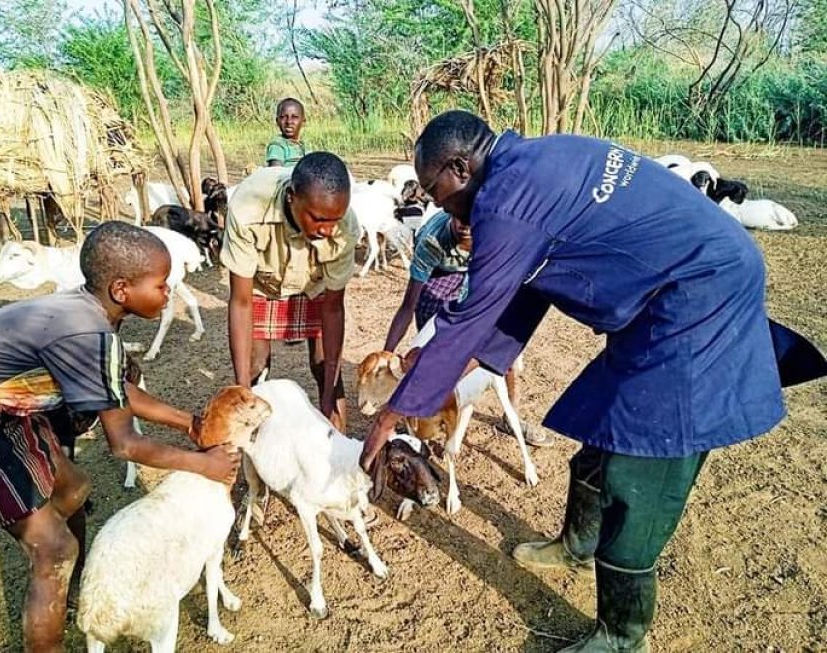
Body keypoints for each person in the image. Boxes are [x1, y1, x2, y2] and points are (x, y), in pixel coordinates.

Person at [359, 110, 826, 652]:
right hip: (660, 298)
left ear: (461, 167)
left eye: (439, 193)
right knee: (598, 442)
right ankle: (578, 548)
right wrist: (458, 365)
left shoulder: (505, 202)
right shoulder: (535, 161)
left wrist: (391, 415)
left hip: (697, 297)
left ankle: (622, 636)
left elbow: (474, 315)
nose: (439, 207)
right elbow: (521, 294)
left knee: (636, 472)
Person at [0, 222, 240, 653]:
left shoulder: (89, 311)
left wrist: (188, 423)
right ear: (122, 289)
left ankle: (75, 591)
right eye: (162, 285)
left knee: (74, 488)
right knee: (54, 549)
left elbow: (113, 389)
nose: (169, 294)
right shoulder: (89, 331)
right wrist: (203, 462)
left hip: (11, 408)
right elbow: (124, 444)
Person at [383, 209, 552, 446]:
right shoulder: (432, 240)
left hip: (481, 276)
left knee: (505, 349)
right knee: (435, 352)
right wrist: (387, 353)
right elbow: (408, 304)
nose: (464, 225)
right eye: (458, 216)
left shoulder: (498, 236)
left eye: (472, 220)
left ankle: (511, 416)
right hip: (440, 278)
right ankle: (425, 413)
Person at [223, 151, 359, 432]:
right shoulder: (247, 208)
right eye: (318, 219)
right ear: (291, 198)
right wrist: (243, 392)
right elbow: (241, 302)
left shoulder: (343, 227)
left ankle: (338, 440)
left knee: (325, 369)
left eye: (335, 220)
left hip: (313, 284)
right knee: (255, 364)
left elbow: (333, 308)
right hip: (262, 285)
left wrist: (328, 394)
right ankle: (254, 437)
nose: (327, 230)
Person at [265, 97, 308, 168]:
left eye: (294, 117)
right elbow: (275, 173)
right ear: (277, 121)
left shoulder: (303, 145)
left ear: (303, 122)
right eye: (283, 117)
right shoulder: (277, 145)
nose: (289, 122)